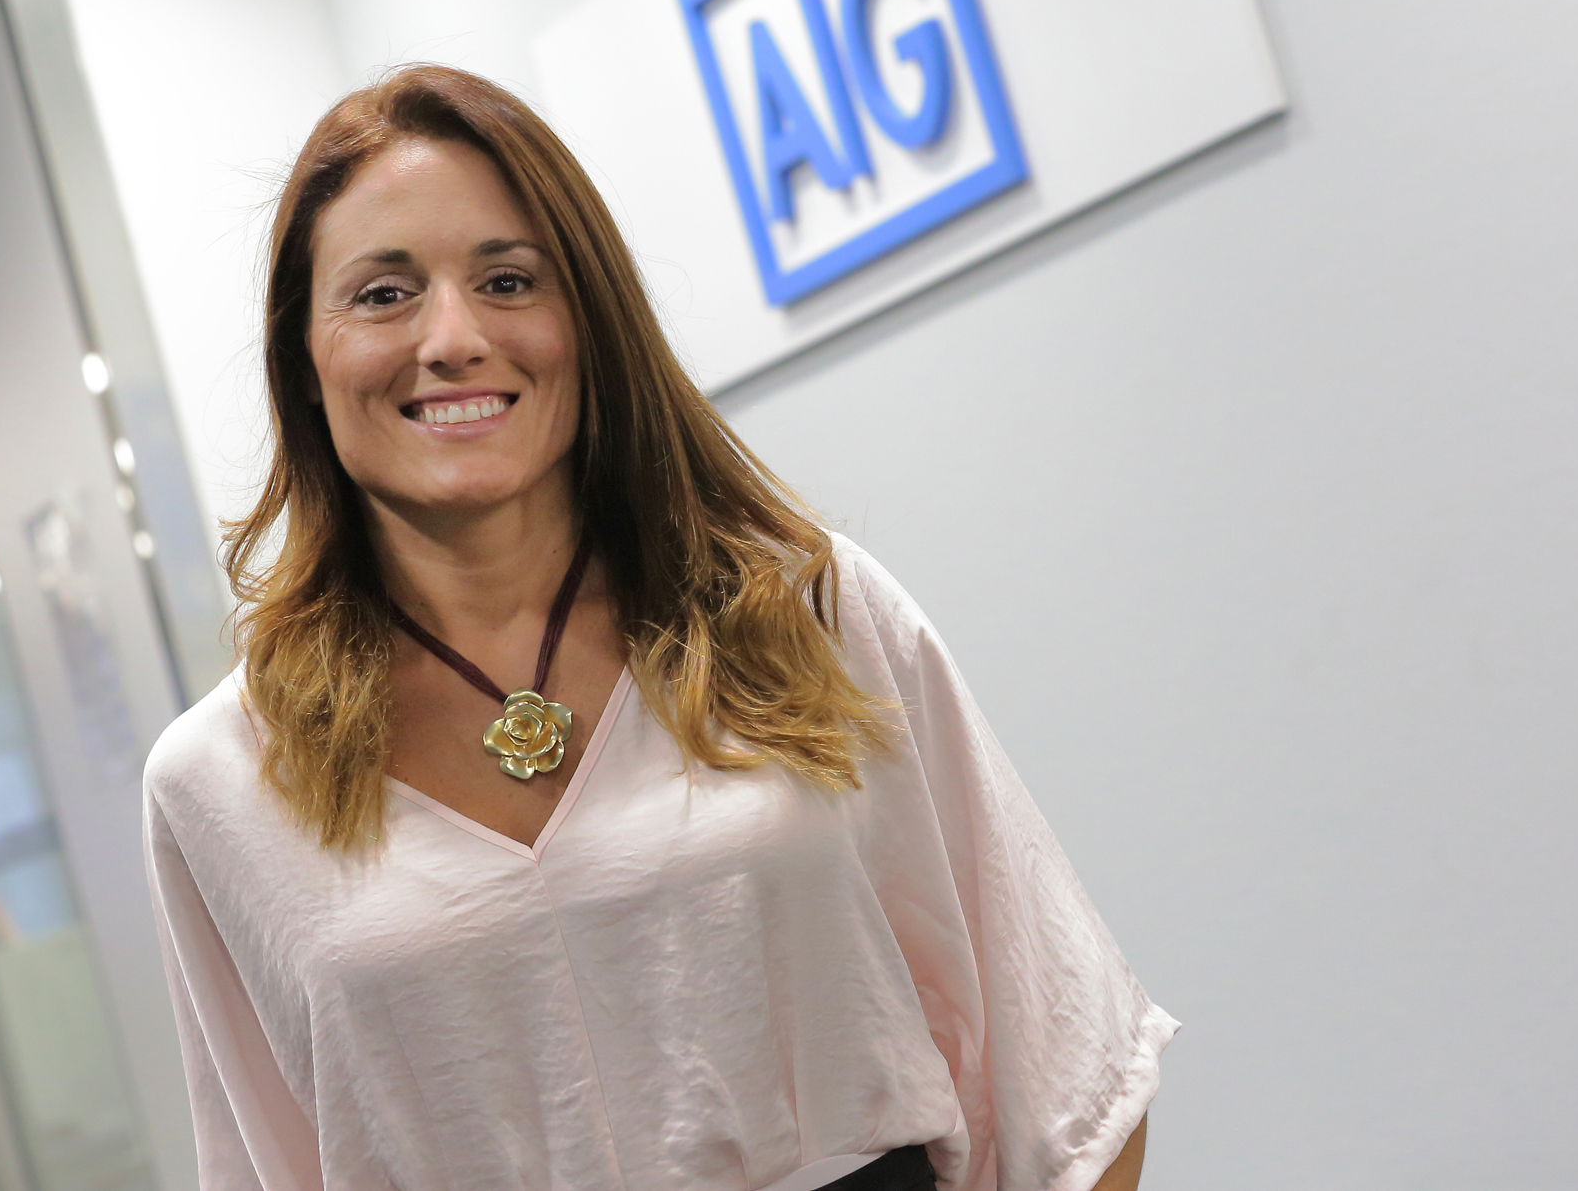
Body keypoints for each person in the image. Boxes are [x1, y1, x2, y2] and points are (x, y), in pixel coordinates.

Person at [142, 65, 1175, 1191]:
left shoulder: (807, 613)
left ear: (588, 321)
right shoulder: (215, 782)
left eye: (507, 279)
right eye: (383, 293)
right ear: (302, 355)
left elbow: (1068, 1068)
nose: (452, 337)